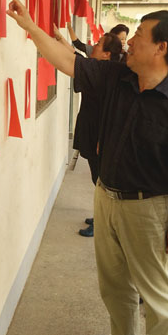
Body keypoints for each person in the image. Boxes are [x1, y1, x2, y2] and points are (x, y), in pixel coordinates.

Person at [7, 0, 168, 335]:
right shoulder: (117, 78)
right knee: (113, 283)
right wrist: (29, 26)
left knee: (157, 293)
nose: (131, 41)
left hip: (149, 208)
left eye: (140, 35)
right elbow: (67, 61)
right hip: (106, 196)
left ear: (161, 48)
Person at [55, 28, 123, 237]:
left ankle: (103, 222)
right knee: (97, 178)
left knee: (101, 180)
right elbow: (75, 57)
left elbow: (73, 60)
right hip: (91, 130)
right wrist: (60, 38)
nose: (93, 47)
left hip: (98, 135)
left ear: (107, 54)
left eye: (99, 44)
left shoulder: (105, 75)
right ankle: (100, 216)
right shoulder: (98, 69)